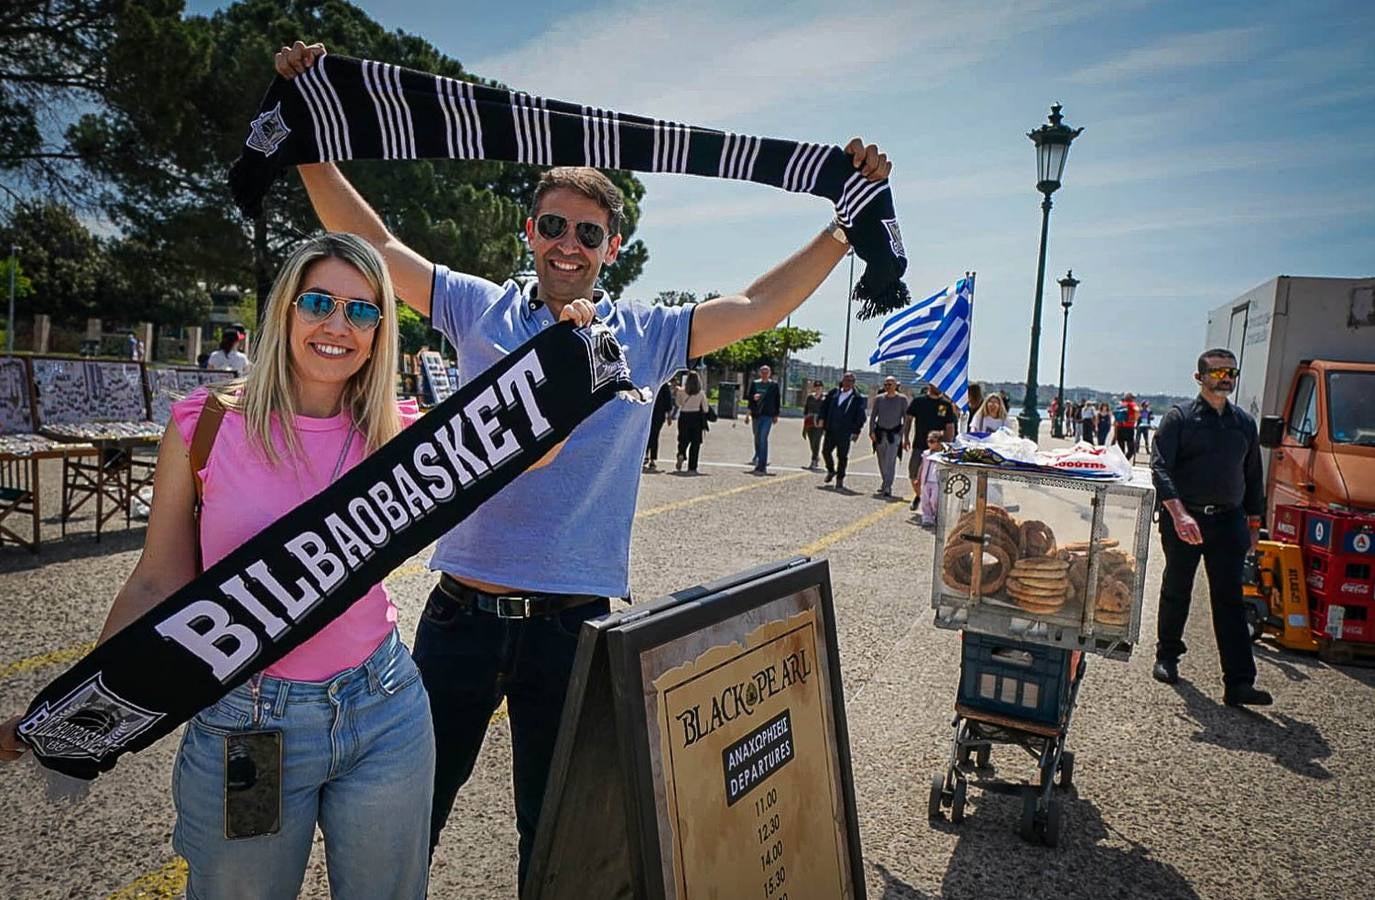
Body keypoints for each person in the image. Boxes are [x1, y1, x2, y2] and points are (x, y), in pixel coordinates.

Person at [274, 39, 893, 887]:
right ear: (530, 231)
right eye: (554, 225)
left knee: (556, 834)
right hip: (457, 616)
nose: (569, 243)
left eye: (588, 233)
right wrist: (308, 122)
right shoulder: (474, 306)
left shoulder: (644, 334)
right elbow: (370, 239)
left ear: (612, 245)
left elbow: (756, 305)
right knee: (405, 819)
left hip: (571, 628)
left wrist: (842, 226)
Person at [1, 234, 443, 898]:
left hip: (383, 709)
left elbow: (523, 442)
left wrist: (566, 342)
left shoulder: (396, 430)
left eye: (362, 310)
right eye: (319, 301)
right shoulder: (204, 424)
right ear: (286, 310)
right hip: (247, 721)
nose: (337, 325)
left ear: (380, 330)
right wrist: (71, 710)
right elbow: (158, 579)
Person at [1150, 348, 1271, 707]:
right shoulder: (1179, 419)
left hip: (1229, 521)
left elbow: (1253, 476)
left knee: (1230, 599)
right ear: (1199, 377)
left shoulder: (1244, 423)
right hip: (1186, 520)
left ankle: (1239, 683)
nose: (1225, 377)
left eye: (1230, 372)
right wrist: (1178, 513)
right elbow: (1159, 468)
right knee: (1177, 587)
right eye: (1217, 372)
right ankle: (1167, 656)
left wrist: (1254, 524)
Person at [904, 381, 957, 510]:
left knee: (934, 477)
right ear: (930, 385)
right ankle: (920, 496)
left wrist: (948, 445)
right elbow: (908, 419)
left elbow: (950, 426)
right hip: (919, 444)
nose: (939, 387)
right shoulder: (919, 401)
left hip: (937, 449)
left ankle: (930, 503)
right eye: (936, 384)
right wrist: (905, 437)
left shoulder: (946, 405)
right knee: (913, 473)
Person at [820, 372, 867, 491]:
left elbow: (861, 416)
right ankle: (831, 470)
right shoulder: (834, 393)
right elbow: (824, 407)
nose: (847, 383)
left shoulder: (857, 398)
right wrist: (822, 419)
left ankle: (840, 479)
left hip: (845, 432)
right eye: (846, 380)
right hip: (831, 429)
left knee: (842, 456)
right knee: (825, 452)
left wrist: (856, 431)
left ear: (853, 383)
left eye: (850, 381)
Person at [868, 375, 907, 498]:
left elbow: (906, 417)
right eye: (886, 384)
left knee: (890, 461)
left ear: (896, 385)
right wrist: (871, 431)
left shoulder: (902, 399)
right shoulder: (879, 399)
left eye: (890, 384)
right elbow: (873, 416)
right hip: (880, 433)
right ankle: (885, 481)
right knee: (882, 460)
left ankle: (887, 486)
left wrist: (903, 433)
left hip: (894, 434)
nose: (887, 386)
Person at [746, 364, 781, 474]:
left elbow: (777, 400)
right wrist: (748, 412)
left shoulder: (774, 385)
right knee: (757, 438)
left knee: (762, 438)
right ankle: (758, 459)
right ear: (760, 373)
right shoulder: (755, 384)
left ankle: (762, 466)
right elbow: (750, 399)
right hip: (756, 415)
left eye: (767, 372)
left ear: (770, 373)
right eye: (763, 372)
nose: (765, 374)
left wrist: (776, 414)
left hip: (768, 415)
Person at [674, 371, 710, 473]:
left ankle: (681, 453)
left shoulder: (681, 391)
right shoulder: (701, 393)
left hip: (684, 416)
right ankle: (692, 466)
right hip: (696, 418)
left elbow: (678, 403)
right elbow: (706, 409)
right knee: (695, 443)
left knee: (683, 439)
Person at [916, 430, 945, 526]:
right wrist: (918, 478)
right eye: (928, 441)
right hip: (926, 480)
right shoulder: (926, 454)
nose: (929, 443)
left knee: (934, 500)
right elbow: (922, 466)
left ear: (939, 442)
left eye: (932, 441)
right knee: (925, 499)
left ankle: (937, 514)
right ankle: (927, 517)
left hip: (937, 481)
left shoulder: (943, 454)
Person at [644, 381, 675, 471]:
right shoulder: (663, 384)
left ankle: (645, 455)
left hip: (648, 412)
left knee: (646, 435)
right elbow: (668, 401)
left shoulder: (649, 381)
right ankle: (652, 459)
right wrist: (669, 415)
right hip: (659, 414)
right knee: (655, 436)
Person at [802, 380, 826, 469]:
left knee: (816, 440)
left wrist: (824, 423)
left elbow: (826, 412)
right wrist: (805, 418)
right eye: (816, 387)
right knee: (811, 441)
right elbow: (806, 409)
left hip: (819, 423)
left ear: (822, 388)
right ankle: (816, 456)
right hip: (810, 421)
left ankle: (814, 460)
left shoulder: (824, 399)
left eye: (819, 387)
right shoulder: (810, 398)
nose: (818, 389)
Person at [1113, 392, 1140, 461]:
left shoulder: (1120, 404)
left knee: (1121, 449)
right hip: (1128, 427)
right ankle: (1125, 462)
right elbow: (1137, 410)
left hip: (1119, 427)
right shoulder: (1131, 404)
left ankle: (1121, 462)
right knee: (1131, 449)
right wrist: (1135, 419)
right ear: (1131, 398)